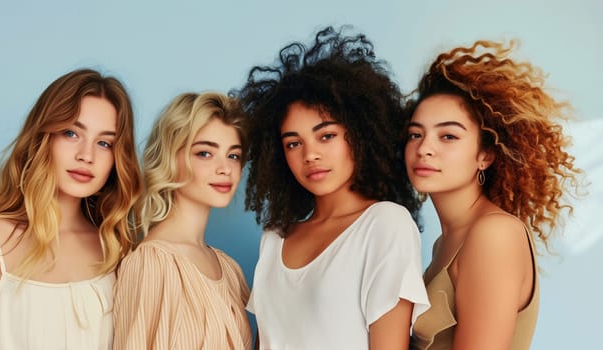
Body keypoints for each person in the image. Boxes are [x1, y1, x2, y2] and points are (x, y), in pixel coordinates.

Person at [235, 26, 430, 349]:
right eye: (293, 143)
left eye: (326, 135)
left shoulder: (384, 225)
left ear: (360, 132)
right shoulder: (275, 238)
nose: (310, 154)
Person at [0, 68, 142, 350]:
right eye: (71, 133)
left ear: (117, 159)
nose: (86, 155)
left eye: (104, 143)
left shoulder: (119, 249)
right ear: (44, 137)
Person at [404, 40, 582, 350]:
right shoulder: (443, 244)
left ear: (485, 155)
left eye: (448, 136)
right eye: (415, 134)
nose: (424, 148)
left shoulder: (493, 234)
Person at [113, 92, 252, 350]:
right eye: (205, 153)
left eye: (233, 155)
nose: (225, 168)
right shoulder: (150, 263)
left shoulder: (230, 269)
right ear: (170, 157)